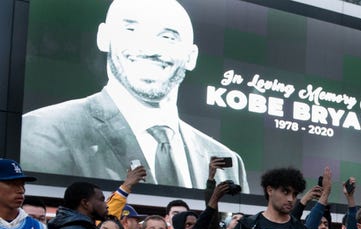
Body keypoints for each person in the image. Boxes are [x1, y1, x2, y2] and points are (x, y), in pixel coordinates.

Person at [21, 0, 248, 190]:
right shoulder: (45, 132)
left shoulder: (225, 159)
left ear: (191, 56)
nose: (149, 49)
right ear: (104, 38)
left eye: (168, 37)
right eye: (131, 30)